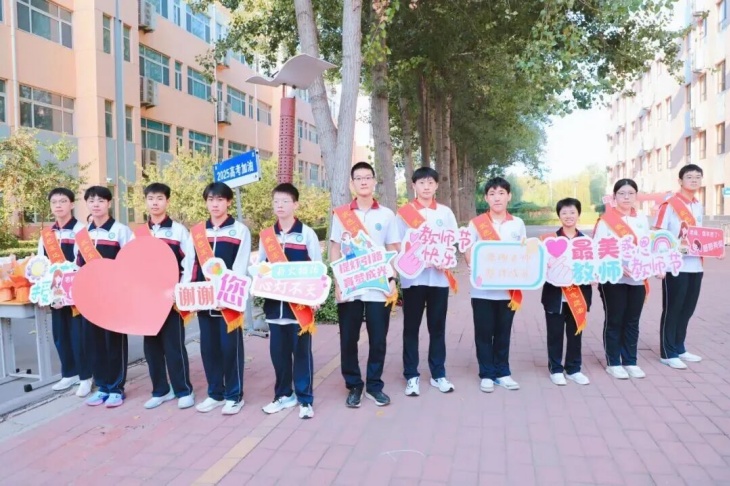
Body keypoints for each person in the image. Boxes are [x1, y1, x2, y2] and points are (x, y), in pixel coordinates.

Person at [330, 162, 400, 408]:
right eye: (358, 178)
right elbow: (335, 248)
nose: (363, 181)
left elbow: (392, 248)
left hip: (378, 286)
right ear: (352, 184)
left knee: (378, 338)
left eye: (367, 177)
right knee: (348, 338)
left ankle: (374, 385)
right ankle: (354, 384)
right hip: (351, 286)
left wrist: (392, 279)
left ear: (374, 182)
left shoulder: (387, 214)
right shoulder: (341, 215)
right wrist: (338, 281)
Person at [258, 183, 321, 419]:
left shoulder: (307, 234)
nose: (280, 206)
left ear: (295, 204)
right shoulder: (267, 236)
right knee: (279, 355)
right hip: (275, 307)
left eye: (285, 201)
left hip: (300, 308)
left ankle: (305, 399)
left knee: (302, 354)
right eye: (276, 201)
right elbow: (261, 268)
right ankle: (284, 395)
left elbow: (317, 268)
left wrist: (315, 297)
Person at [394, 167, 458, 396]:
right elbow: (396, 243)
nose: (426, 186)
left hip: (438, 280)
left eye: (430, 182)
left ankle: (438, 373)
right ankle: (411, 375)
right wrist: (411, 259)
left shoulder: (445, 212)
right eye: (421, 182)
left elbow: (452, 241)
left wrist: (444, 259)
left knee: (437, 327)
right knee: (411, 328)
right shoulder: (404, 213)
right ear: (414, 186)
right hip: (413, 280)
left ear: (436, 185)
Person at [191, 182, 251, 415]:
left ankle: (234, 395)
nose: (215, 204)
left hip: (228, 302)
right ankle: (215, 393)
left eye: (219, 200)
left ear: (228, 202)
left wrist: (227, 295)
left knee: (230, 348)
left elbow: (240, 266)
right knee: (209, 349)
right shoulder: (198, 232)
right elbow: (192, 265)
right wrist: (190, 292)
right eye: (210, 200)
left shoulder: (240, 230)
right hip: (204, 300)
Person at [464, 177, 526, 392]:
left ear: (509, 196)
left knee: (503, 332)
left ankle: (503, 372)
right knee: (483, 333)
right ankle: (487, 374)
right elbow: (468, 249)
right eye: (492, 193)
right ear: (486, 198)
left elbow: (523, 252)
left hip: (508, 290)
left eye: (501, 193)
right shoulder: (476, 223)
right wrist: (473, 266)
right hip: (482, 290)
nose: (497, 198)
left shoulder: (517, 223)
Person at [75, 186, 134, 407]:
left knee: (114, 342)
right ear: (87, 204)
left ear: (109, 203)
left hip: (114, 297)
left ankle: (116, 388)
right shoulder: (83, 235)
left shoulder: (121, 231)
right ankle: (102, 387)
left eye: (101, 200)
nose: (96, 204)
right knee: (94, 342)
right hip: (90, 298)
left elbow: (130, 263)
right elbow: (78, 266)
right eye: (91, 200)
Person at [139, 183, 195, 410]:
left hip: (171, 300)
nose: (155, 202)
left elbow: (189, 263)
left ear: (167, 201)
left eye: (160, 198)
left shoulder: (179, 231)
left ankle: (183, 390)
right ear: (145, 201)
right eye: (151, 198)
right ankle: (160, 390)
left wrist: (180, 289)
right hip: (147, 300)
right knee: (151, 347)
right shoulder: (139, 233)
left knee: (174, 346)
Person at [654, 164, 714, 369]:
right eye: (689, 177)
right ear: (680, 181)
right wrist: (659, 264)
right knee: (673, 309)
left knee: (688, 308)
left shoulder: (698, 205)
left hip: (696, 265)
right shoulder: (669, 205)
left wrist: (715, 248)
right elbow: (657, 235)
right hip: (674, 266)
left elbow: (699, 235)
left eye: (698, 177)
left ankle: (679, 347)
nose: (694, 180)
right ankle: (667, 352)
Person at [37, 188, 92, 397]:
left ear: (71, 204)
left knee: (79, 336)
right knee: (60, 334)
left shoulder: (81, 230)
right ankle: (69, 373)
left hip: (75, 292)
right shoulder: (47, 234)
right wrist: (44, 290)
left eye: (63, 201)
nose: (58, 205)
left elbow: (84, 261)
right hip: (55, 292)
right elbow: (41, 263)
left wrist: (68, 286)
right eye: (54, 202)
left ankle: (86, 377)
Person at [594, 179, 650, 380]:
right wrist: (617, 265)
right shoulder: (605, 221)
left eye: (631, 193)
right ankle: (613, 362)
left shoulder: (642, 219)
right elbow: (597, 250)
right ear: (614, 197)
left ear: (636, 196)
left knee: (632, 320)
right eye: (622, 193)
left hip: (637, 278)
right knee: (615, 319)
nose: (626, 197)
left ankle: (630, 361)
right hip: (613, 278)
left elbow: (647, 247)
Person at [540, 198, 592, 386]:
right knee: (554, 334)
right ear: (559, 215)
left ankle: (573, 369)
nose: (568, 216)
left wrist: (595, 275)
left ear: (578, 214)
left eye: (572, 212)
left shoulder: (587, 242)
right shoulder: (548, 241)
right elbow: (539, 266)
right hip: (555, 296)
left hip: (579, 295)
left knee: (575, 333)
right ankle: (555, 369)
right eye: (564, 213)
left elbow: (594, 266)